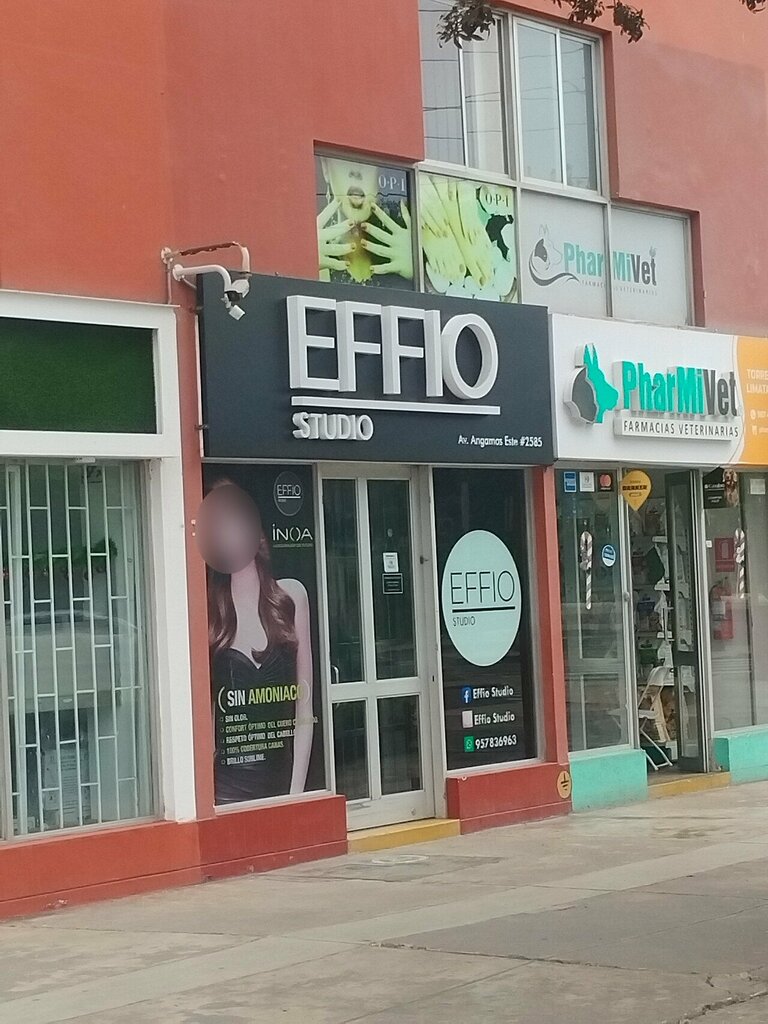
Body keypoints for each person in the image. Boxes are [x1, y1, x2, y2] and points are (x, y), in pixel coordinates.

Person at [196, 480, 313, 803]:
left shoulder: (292, 596)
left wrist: (295, 795)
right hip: (228, 789)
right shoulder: (210, 612)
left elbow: (304, 707)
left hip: (282, 783)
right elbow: (206, 713)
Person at [316, 157, 413, 284]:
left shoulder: (406, 251)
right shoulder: (315, 253)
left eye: (367, 161)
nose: (356, 172)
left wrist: (418, 273)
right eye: (344, 158)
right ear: (326, 168)